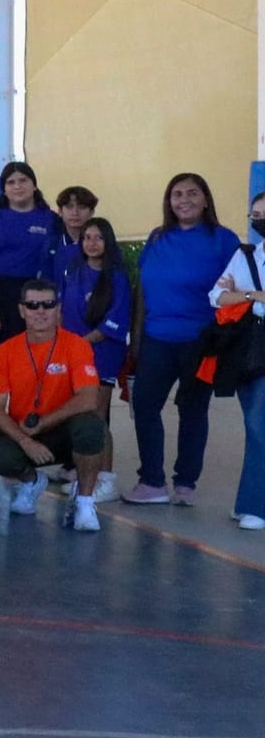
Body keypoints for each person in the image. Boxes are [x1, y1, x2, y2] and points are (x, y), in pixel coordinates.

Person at [126, 173, 239, 506]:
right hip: (157, 339)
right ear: (168, 201)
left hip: (201, 341)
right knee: (145, 405)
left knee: (192, 410)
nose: (184, 200)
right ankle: (152, 482)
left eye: (192, 193)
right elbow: (143, 290)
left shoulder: (224, 240)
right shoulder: (157, 237)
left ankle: (185, 484)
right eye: (177, 194)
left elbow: (236, 292)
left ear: (206, 199)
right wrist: (137, 337)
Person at [0, 280, 106, 532]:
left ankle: (84, 502)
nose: (40, 311)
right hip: (25, 433)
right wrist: (26, 440)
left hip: (62, 430)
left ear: (58, 309)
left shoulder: (77, 345)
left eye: (48, 304)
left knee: (91, 426)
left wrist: (43, 423)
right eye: (33, 305)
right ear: (21, 310)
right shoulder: (5, 351)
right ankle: (31, 481)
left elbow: (89, 398)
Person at [56, 216, 129, 503]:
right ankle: (87, 475)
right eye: (87, 237)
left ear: (108, 241)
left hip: (101, 355)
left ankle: (106, 480)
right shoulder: (72, 270)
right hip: (73, 353)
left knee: (97, 417)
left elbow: (114, 323)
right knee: (78, 416)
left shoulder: (118, 277)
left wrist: (78, 346)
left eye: (98, 237)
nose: (92, 243)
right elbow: (62, 310)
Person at [214, 191, 265, 531]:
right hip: (250, 349)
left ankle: (254, 505)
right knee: (255, 425)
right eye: (255, 214)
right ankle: (249, 501)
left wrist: (244, 296)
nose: (259, 219)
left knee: (260, 426)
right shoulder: (247, 255)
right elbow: (216, 296)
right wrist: (254, 295)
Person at [0, 162, 68, 346]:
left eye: (23, 180)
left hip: (38, 297)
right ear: (4, 189)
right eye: (11, 182)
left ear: (34, 185)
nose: (17, 186)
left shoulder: (52, 220)